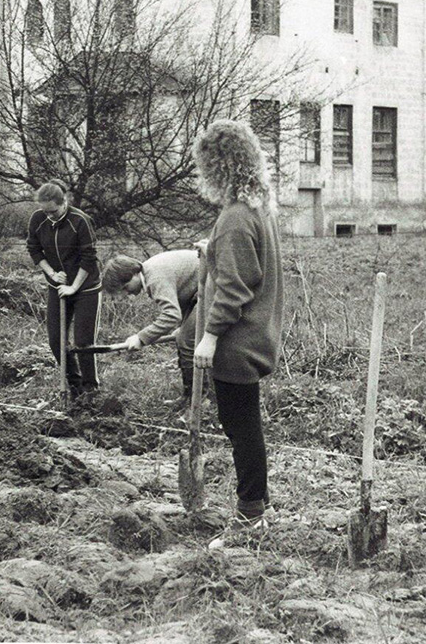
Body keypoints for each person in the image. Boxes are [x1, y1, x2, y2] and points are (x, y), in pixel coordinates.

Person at [191, 120, 284, 547]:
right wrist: (212, 254)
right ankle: (259, 500)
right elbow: (241, 267)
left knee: (241, 426)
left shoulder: (234, 218)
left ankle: (250, 515)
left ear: (217, 167)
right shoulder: (256, 210)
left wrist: (209, 336)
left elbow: (234, 287)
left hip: (236, 340)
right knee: (246, 423)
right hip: (255, 335)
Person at [26, 179, 101, 400]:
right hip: (57, 287)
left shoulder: (80, 221)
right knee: (56, 340)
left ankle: (91, 388)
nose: (50, 216)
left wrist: (73, 286)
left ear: (64, 202)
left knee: (83, 342)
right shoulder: (38, 220)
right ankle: (75, 386)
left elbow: (89, 259)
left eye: (54, 211)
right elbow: (34, 249)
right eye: (45, 212)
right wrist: (51, 273)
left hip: (85, 287)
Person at [101, 249, 203, 410]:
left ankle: (199, 401)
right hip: (199, 293)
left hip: (216, 289)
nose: (129, 294)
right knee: (184, 338)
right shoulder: (150, 271)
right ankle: (191, 396)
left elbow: (171, 315)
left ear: (134, 274)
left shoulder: (155, 277)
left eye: (126, 288)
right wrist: (184, 325)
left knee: (186, 341)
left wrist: (141, 338)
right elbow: (183, 298)